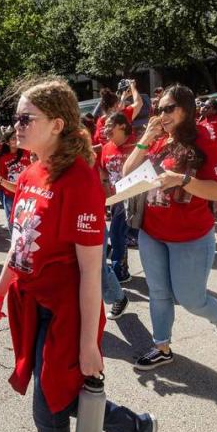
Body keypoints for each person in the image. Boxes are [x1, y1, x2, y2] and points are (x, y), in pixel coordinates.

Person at [0, 77, 158, 432]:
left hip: (67, 316)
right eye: (15, 118)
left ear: (57, 124)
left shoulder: (79, 180)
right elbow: (18, 247)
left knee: (50, 411)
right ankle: (140, 426)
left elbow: (90, 271)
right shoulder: (27, 173)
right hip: (30, 309)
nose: (15, 126)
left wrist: (88, 344)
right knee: (64, 399)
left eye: (26, 119)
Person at [120, 85, 217, 371]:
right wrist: (145, 138)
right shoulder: (159, 139)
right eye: (159, 109)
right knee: (158, 293)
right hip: (152, 232)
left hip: (191, 237)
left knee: (191, 300)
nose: (162, 114)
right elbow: (126, 173)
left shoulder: (203, 140)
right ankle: (162, 347)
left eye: (169, 108)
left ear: (187, 109)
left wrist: (182, 179)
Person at [96, 111, 137, 319]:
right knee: (118, 235)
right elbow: (103, 170)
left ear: (122, 126)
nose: (104, 130)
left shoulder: (136, 143)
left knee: (118, 235)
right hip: (116, 199)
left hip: (136, 198)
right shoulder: (106, 148)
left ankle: (120, 270)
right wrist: (105, 189)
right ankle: (121, 270)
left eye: (109, 125)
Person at [0, 128, 31, 229]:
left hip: (27, 193)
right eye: (13, 138)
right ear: (7, 142)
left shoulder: (27, 153)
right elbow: (1, 178)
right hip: (10, 195)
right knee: (12, 222)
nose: (16, 140)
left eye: (17, 137)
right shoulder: (3, 158)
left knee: (27, 221)